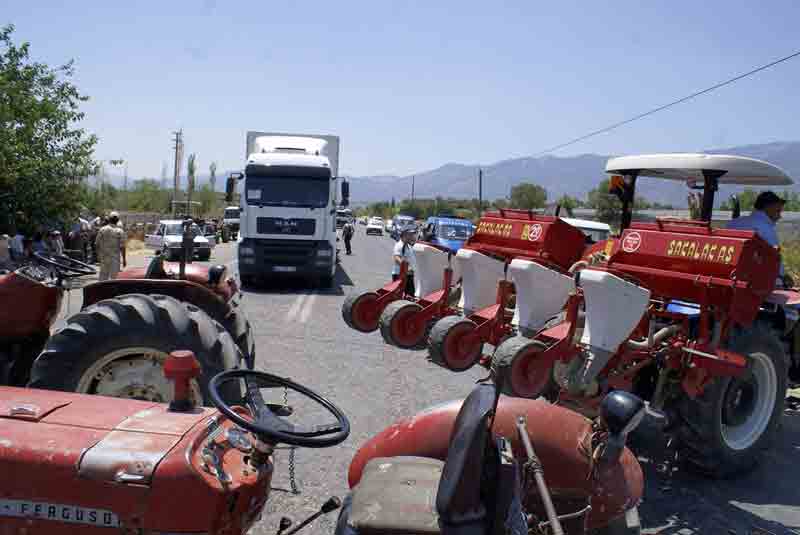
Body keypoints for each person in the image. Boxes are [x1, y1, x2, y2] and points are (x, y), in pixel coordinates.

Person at [726, 191, 793, 287]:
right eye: (777, 211)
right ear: (768, 208)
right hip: (753, 282)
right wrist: (783, 277)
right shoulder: (765, 228)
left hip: (730, 275)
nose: (779, 216)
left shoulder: (733, 223)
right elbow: (775, 260)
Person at [95, 211, 127, 281]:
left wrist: (98, 256)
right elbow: (122, 247)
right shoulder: (120, 231)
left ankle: (102, 291)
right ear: (118, 220)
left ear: (109, 219)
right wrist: (124, 259)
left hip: (104, 257)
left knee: (103, 278)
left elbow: (96, 244)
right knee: (114, 278)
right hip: (114, 258)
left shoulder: (102, 229)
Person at [392, 226, 417, 296]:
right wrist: (406, 268)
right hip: (400, 274)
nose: (412, 236)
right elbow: (396, 257)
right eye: (410, 234)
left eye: (412, 235)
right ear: (404, 235)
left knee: (410, 295)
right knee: (399, 295)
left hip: (408, 274)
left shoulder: (408, 245)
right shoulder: (399, 245)